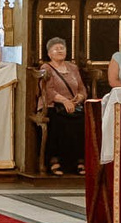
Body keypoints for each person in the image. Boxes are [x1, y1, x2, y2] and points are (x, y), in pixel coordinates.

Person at [37, 35, 87, 175]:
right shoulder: (46, 67)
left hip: (73, 105)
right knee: (59, 122)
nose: (60, 50)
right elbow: (48, 90)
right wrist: (64, 101)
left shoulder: (73, 67)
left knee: (81, 122)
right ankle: (55, 161)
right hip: (53, 105)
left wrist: (79, 98)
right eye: (55, 48)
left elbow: (82, 88)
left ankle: (79, 161)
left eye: (62, 48)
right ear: (49, 53)